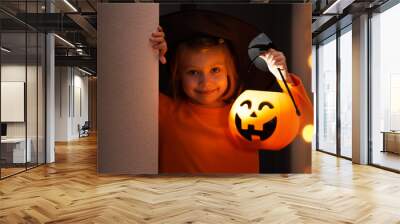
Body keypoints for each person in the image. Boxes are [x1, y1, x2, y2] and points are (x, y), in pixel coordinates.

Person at [150, 25, 312, 173]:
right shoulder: (164, 111)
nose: (205, 82)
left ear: (229, 72)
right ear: (178, 75)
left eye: (215, 70)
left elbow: (302, 124)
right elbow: (128, 90)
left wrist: (283, 77)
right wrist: (150, 55)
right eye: (193, 72)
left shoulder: (248, 114)